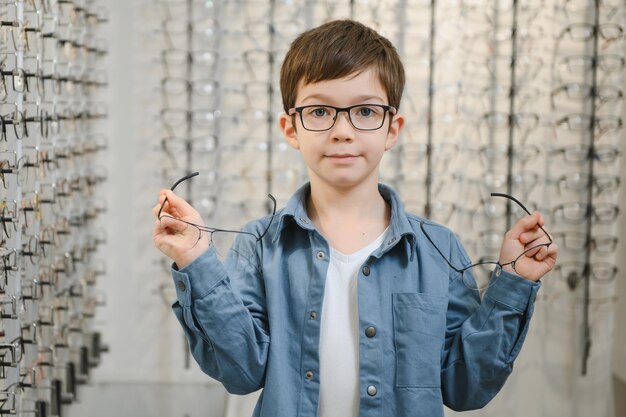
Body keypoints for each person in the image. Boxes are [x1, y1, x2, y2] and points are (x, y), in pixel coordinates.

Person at [152, 19, 558, 417]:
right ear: (291, 129)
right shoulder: (260, 243)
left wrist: (515, 284)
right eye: (319, 111)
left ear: (392, 129)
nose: (343, 130)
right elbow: (241, 372)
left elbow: (465, 387)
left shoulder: (439, 247)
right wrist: (197, 261)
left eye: (365, 111)